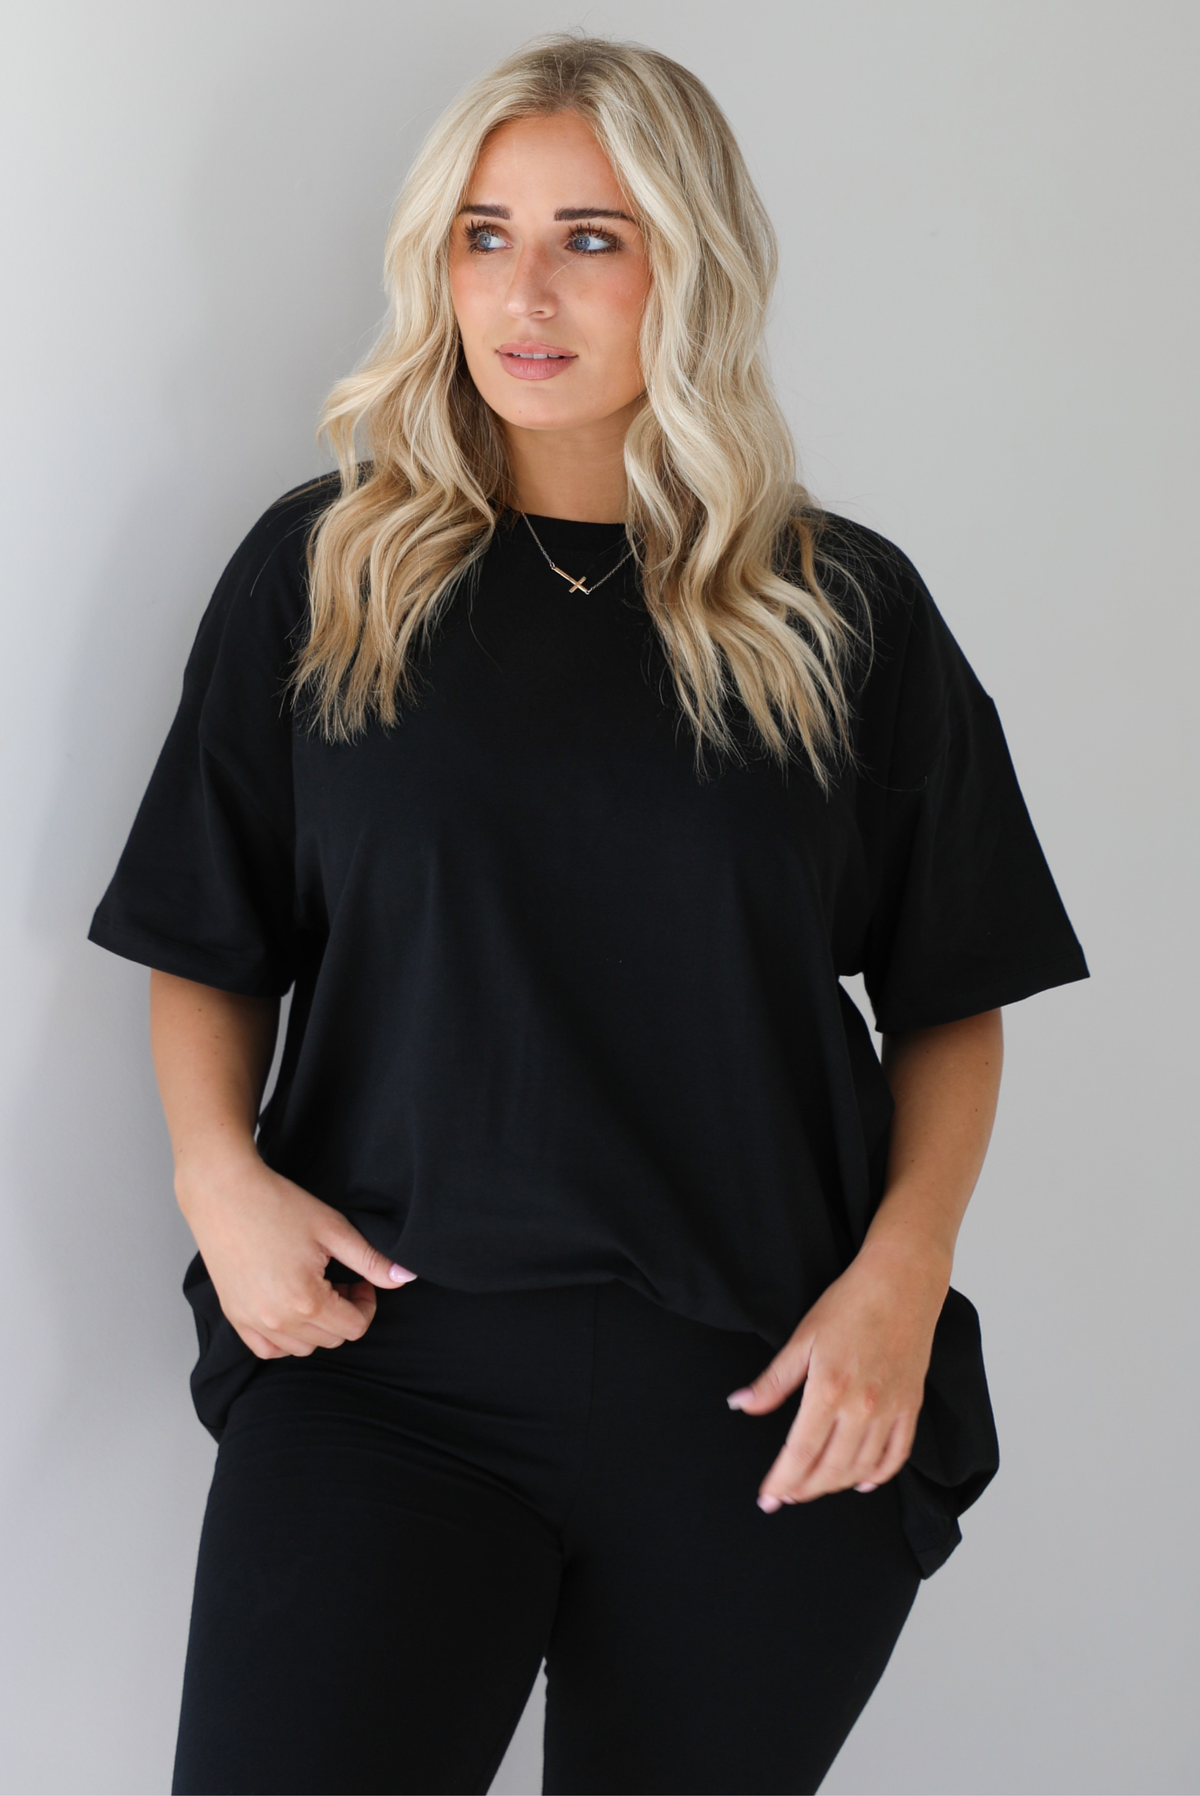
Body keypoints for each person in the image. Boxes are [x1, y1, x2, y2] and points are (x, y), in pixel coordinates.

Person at [88, 34, 1088, 1796]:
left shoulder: (840, 611)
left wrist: (904, 1277)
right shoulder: (326, 578)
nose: (523, 293)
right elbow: (207, 934)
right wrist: (215, 1180)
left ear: (689, 266)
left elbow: (953, 988)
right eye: (483, 236)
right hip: (386, 1381)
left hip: (762, 1394)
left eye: (590, 239)